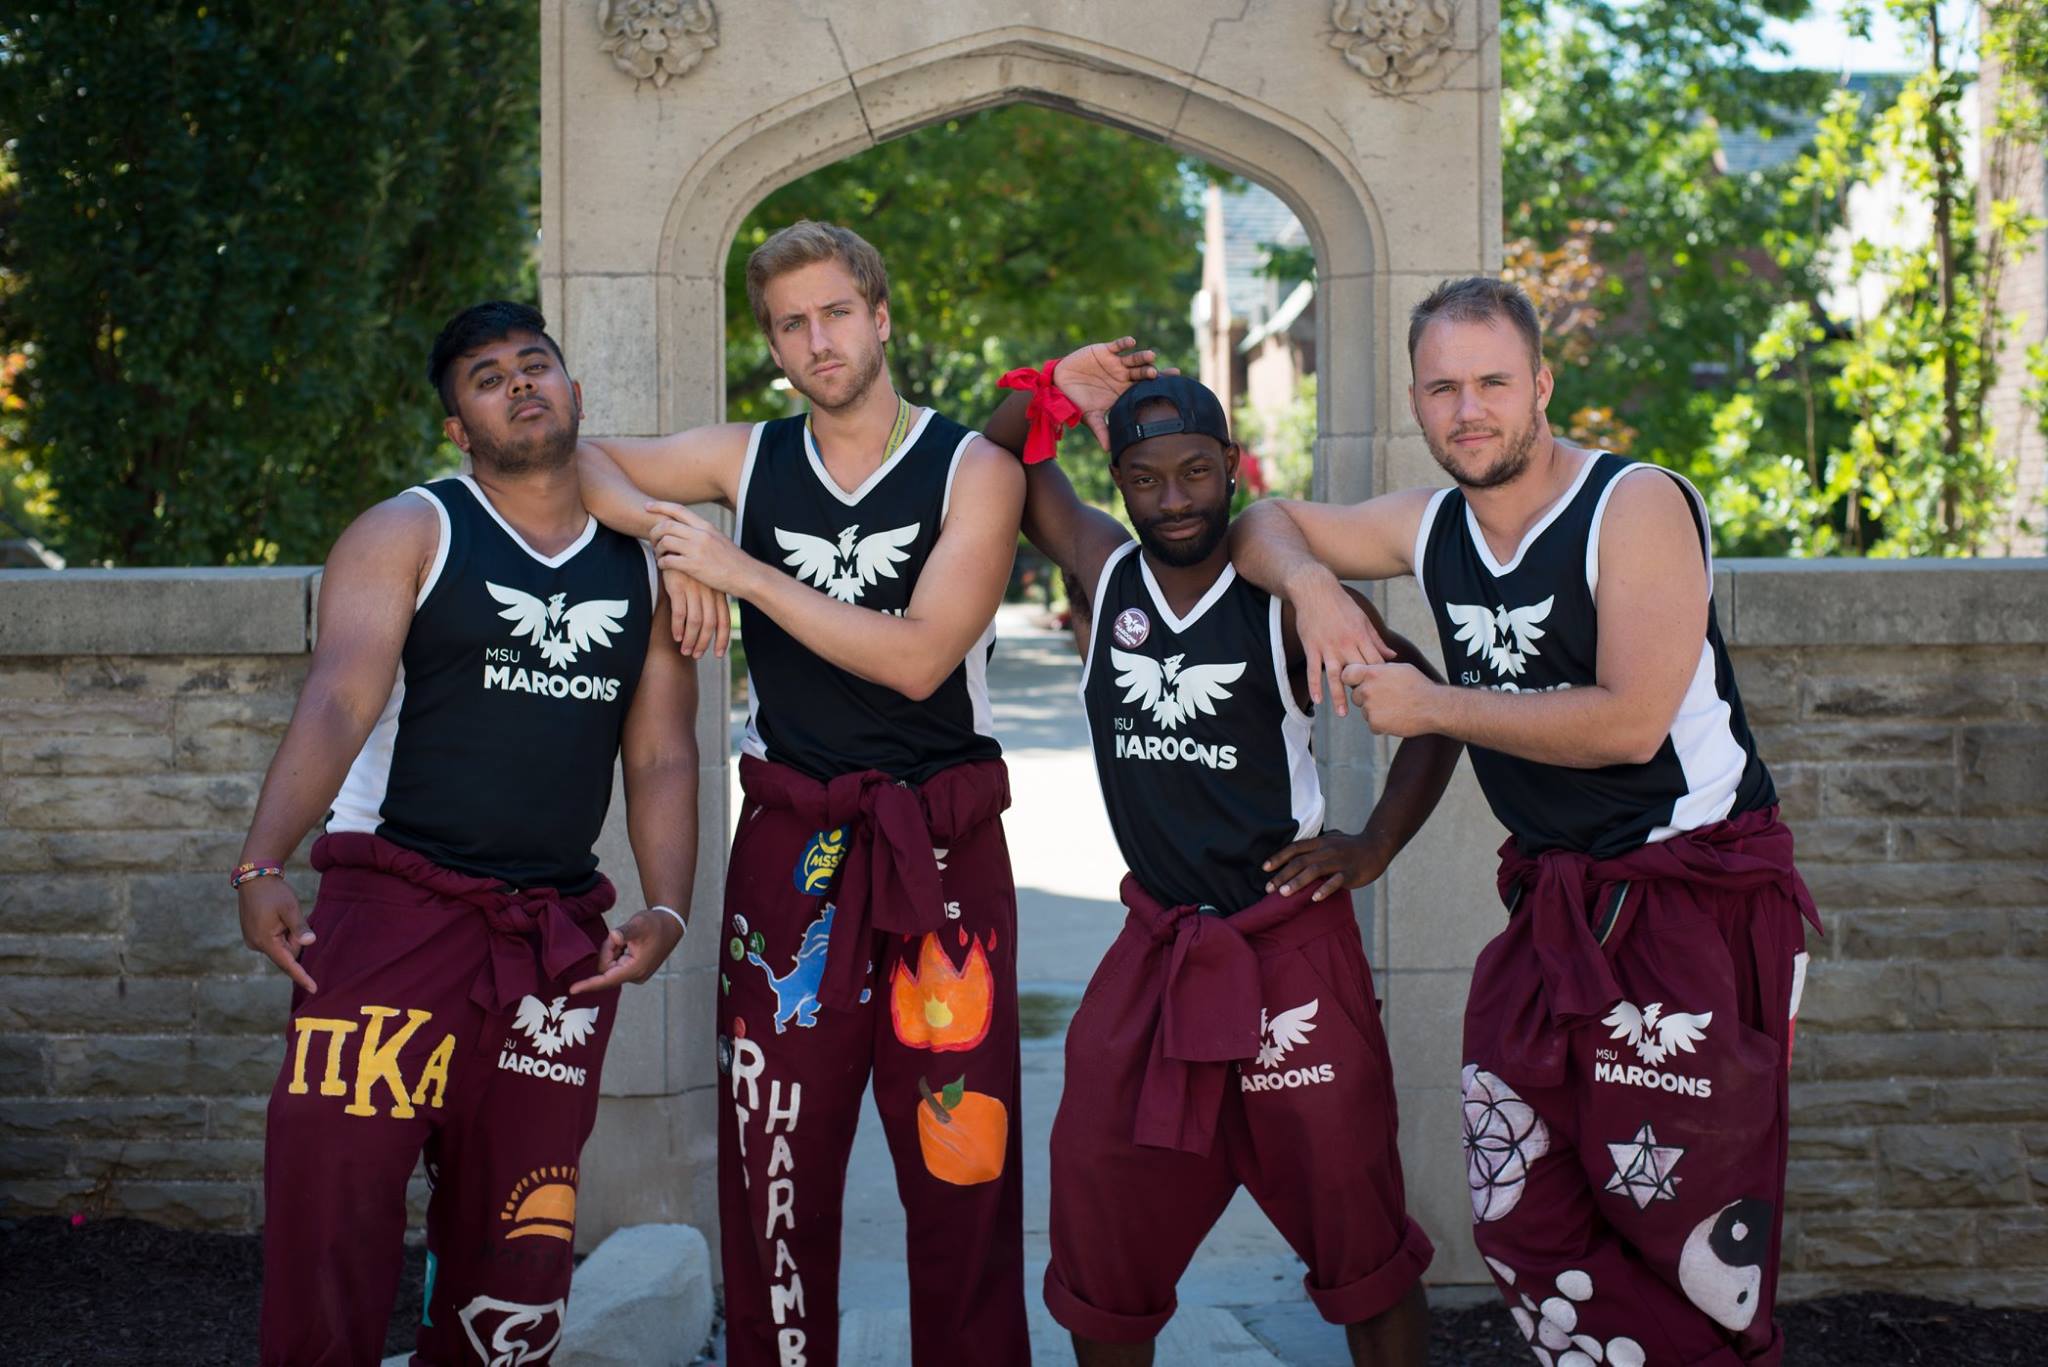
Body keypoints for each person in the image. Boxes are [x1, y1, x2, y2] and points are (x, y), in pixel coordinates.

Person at [574, 220, 1158, 1367]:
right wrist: (663, 544)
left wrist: (735, 569)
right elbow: (583, 458)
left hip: (939, 842)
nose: (816, 338)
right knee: (772, 1161)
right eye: (791, 323)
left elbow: (918, 655)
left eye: (836, 311)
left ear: (881, 316)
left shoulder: (972, 469)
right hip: (792, 845)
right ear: (774, 346)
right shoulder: (745, 459)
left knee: (961, 1161)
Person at [1230, 276, 1820, 1366]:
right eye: (1443, 386)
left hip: (1691, 892)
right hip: (1555, 901)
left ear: (1540, 384)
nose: (1469, 408)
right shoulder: (1430, 521)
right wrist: (1312, 586)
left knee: (1681, 1229)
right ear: (1414, 399)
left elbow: (1631, 722)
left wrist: (1432, 704)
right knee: (1515, 1208)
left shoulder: (1630, 502)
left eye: (1493, 381)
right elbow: (1256, 520)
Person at [236, 301, 700, 1366]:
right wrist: (261, 859)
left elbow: (662, 753)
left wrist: (666, 903)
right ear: (459, 425)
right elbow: (338, 701)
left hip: (550, 936)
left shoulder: (641, 561)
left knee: (521, 1230)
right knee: (331, 1201)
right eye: (487, 377)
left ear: (574, 391)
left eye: (535, 365)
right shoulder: (411, 529)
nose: (519, 384)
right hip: (393, 909)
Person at [990, 373, 1453, 1366]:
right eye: (1146, 477)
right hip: (1157, 948)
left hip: (1285, 945)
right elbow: (1004, 461)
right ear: (1114, 481)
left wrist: (1371, 843)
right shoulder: (1102, 572)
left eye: (1196, 471)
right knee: (1098, 1218)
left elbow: (1431, 712)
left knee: (1358, 1239)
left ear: (1231, 463)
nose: (1174, 498)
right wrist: (1049, 389)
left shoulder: (1282, 604)